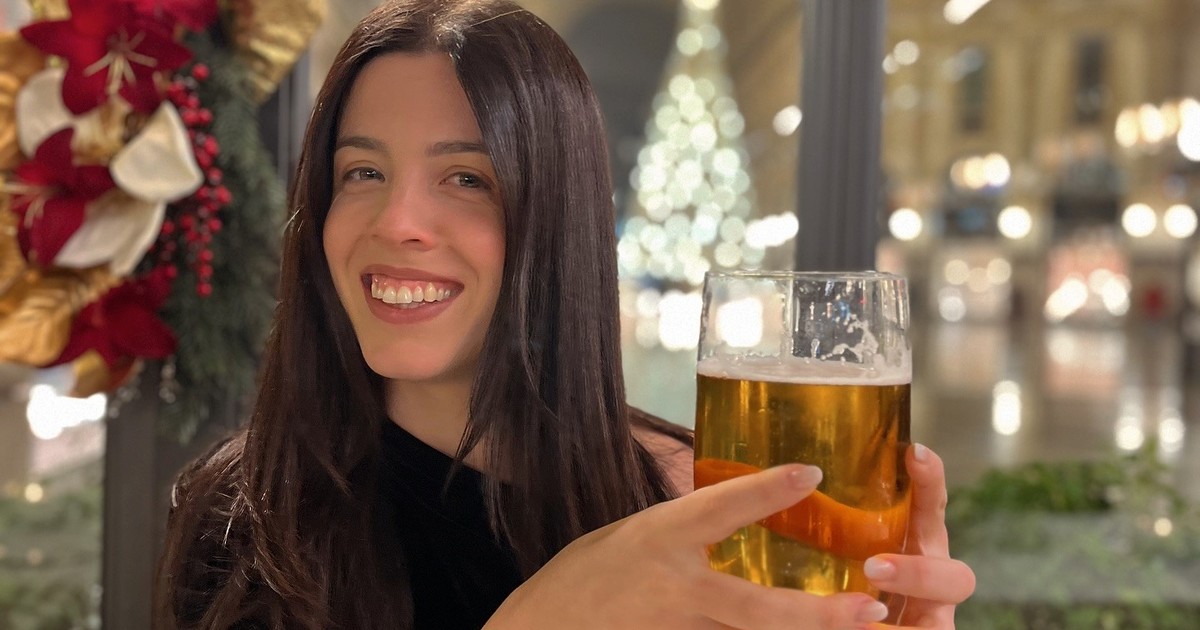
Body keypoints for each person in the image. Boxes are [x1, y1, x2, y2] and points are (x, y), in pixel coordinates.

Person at [154, 1, 976, 628]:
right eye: (361, 173)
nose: (397, 222)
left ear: (557, 219)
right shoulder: (243, 519)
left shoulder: (694, 505)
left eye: (467, 179)